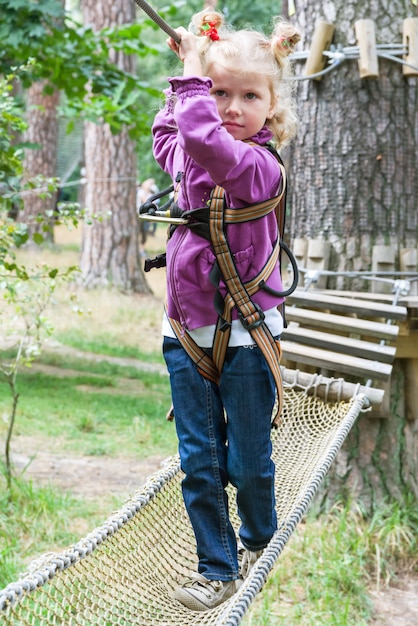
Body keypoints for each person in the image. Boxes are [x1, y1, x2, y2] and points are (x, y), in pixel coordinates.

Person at [152, 10, 300, 612]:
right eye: (218, 93)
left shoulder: (260, 168)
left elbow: (205, 142)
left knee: (249, 463)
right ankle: (218, 569)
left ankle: (259, 538)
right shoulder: (193, 153)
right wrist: (183, 72)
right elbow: (174, 136)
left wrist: (195, 80)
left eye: (248, 95)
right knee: (200, 462)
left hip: (247, 336)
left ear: (273, 107)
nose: (232, 107)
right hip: (187, 332)